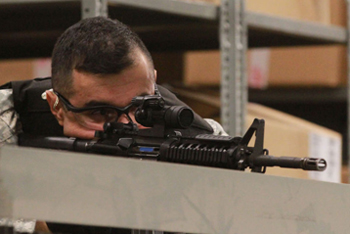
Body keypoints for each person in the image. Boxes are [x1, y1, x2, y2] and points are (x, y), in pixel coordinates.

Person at [0, 16, 226, 233]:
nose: (128, 127)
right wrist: (50, 224)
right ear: (56, 107)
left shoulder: (200, 140)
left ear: (153, 82)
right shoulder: (8, 120)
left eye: (141, 107)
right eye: (100, 113)